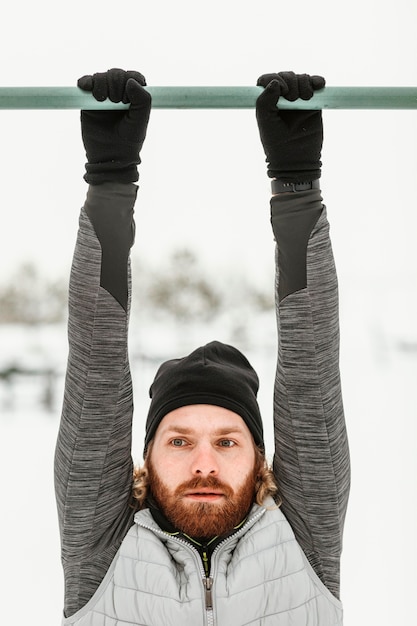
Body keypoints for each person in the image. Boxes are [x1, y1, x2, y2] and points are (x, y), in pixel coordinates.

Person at [54, 68, 350, 626]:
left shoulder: (303, 542)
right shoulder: (102, 553)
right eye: (180, 439)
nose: (204, 465)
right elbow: (95, 377)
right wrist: (110, 178)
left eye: (229, 442)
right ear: (146, 458)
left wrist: (296, 181)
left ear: (262, 460)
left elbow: (311, 379)